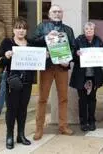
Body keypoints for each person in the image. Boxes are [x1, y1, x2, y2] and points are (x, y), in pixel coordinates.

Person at [32, 4, 75, 140]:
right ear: (49, 14)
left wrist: (68, 60)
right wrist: (46, 36)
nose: (57, 13)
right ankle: (39, 129)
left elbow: (73, 47)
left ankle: (63, 126)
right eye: (54, 11)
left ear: (62, 14)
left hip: (62, 67)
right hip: (47, 67)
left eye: (59, 11)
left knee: (63, 98)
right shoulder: (42, 27)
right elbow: (32, 42)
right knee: (42, 99)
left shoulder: (68, 29)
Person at [0, 18, 34, 149]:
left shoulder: (31, 43)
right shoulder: (7, 42)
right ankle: (9, 135)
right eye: (18, 28)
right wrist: (6, 56)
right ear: (13, 30)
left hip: (27, 82)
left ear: (26, 30)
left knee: (23, 109)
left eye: (23, 28)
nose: (21, 30)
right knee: (12, 110)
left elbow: (38, 57)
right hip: (13, 82)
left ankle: (21, 135)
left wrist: (44, 55)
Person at [70, 22, 103, 132]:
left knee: (92, 99)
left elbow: (102, 57)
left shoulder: (98, 41)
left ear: (94, 30)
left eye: (91, 29)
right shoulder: (78, 40)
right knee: (82, 100)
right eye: (87, 29)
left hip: (94, 76)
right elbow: (72, 56)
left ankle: (92, 121)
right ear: (84, 30)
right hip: (81, 76)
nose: (89, 31)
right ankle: (83, 122)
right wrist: (76, 54)